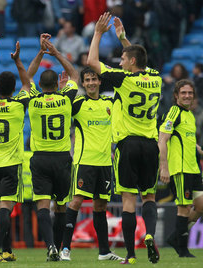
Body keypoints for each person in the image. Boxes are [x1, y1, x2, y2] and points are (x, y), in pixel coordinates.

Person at [87, 13, 162, 264]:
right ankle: (150, 234)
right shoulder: (156, 78)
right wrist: (123, 38)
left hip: (127, 144)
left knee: (129, 200)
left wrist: (98, 33)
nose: (119, 62)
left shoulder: (124, 80)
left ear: (130, 61)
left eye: (122, 59)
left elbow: (91, 62)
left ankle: (130, 254)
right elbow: (138, 58)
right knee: (149, 197)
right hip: (151, 145)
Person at [59, 67, 123, 261]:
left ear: (99, 81)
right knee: (76, 202)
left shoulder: (109, 103)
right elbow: (62, 108)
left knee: (101, 205)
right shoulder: (78, 104)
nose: (91, 83)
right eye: (87, 80)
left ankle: (104, 252)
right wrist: (63, 92)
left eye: (94, 79)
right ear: (83, 83)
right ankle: (65, 249)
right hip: (84, 162)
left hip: (104, 163)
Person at [26, 33, 79, 261]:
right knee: (60, 206)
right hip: (61, 158)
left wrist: (40, 52)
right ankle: (57, 245)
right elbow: (75, 74)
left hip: (40, 158)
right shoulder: (66, 99)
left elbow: (25, 76)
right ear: (58, 84)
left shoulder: (34, 101)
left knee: (42, 205)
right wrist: (55, 52)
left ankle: (50, 247)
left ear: (39, 85)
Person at [0, 36, 30, 262]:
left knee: (2, 206)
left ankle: (8, 250)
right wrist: (18, 61)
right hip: (11, 164)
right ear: (13, 89)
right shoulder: (19, 105)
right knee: (5, 208)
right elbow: (28, 84)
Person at [158, 79, 203, 258]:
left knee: (200, 206)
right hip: (180, 169)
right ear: (176, 95)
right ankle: (182, 249)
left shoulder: (189, 115)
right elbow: (162, 140)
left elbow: (187, 140)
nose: (187, 96)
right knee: (183, 208)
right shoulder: (174, 113)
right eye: (183, 93)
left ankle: (175, 236)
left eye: (190, 93)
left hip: (193, 169)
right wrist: (164, 167)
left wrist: (198, 149)